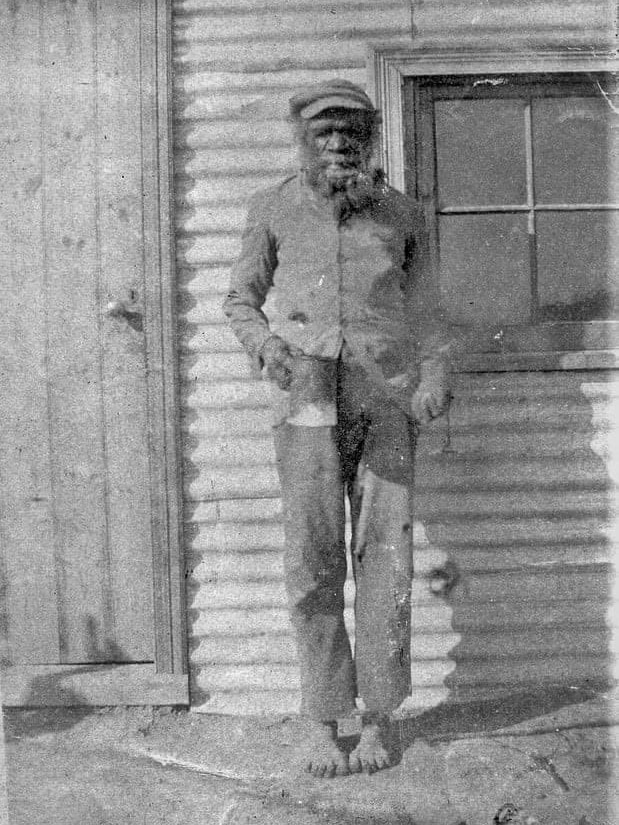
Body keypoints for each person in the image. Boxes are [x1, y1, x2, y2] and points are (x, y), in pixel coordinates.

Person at [223, 79, 451, 777]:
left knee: (384, 556)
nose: (337, 143)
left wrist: (436, 373)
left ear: (367, 138)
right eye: (323, 132)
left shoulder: (401, 214)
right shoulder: (273, 209)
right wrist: (267, 349)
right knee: (312, 558)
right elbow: (239, 300)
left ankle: (380, 718)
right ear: (303, 140)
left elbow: (430, 311)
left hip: (385, 398)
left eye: (349, 131)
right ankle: (323, 722)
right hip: (305, 401)